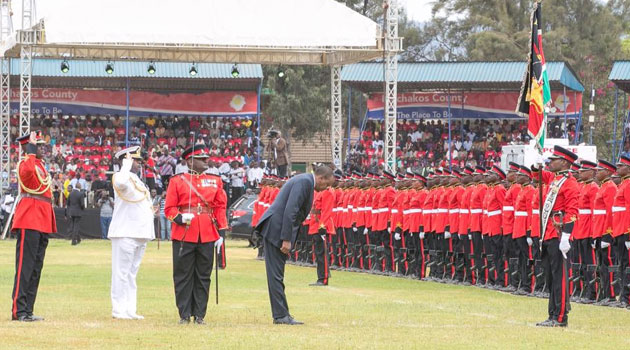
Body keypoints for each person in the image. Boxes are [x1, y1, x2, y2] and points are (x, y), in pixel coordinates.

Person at [255, 165, 335, 325]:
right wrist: (286, 239)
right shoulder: (305, 182)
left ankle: (281, 314)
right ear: (321, 178)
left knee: (277, 274)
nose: (326, 188)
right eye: (326, 184)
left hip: (276, 229)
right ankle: (281, 316)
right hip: (276, 230)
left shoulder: (305, 181)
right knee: (276, 275)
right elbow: (291, 211)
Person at [164, 144, 228, 325]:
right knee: (183, 274)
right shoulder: (177, 181)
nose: (206, 161)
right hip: (184, 232)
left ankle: (200, 314)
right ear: (189, 161)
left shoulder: (215, 180)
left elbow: (220, 206)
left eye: (206, 158)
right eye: (201, 159)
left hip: (207, 232)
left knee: (203, 275)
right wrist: (179, 218)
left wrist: (221, 232)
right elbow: (169, 208)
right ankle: (184, 314)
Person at [11, 132, 56, 322]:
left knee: (36, 267)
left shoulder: (40, 165)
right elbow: (28, 174)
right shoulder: (25, 163)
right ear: (28, 148)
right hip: (30, 216)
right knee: (25, 266)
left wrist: (32, 152)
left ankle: (28, 309)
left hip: (42, 216)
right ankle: (18, 311)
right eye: (37, 146)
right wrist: (29, 150)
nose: (41, 149)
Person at [534, 146, 579, 328]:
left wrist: (566, 236)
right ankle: (552, 314)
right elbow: (537, 176)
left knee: (560, 277)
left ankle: (560, 317)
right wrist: (535, 163)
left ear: (565, 163)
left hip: (559, 234)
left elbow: (572, 211)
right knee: (551, 278)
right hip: (548, 233)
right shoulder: (554, 179)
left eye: (554, 160)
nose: (550, 162)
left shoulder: (569, 183)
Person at [108, 146, 155, 320]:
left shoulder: (137, 180)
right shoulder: (121, 176)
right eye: (135, 160)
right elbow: (120, 182)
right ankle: (119, 309)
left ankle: (130, 309)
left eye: (138, 161)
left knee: (131, 274)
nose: (139, 164)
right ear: (126, 160)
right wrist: (125, 165)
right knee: (121, 272)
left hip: (139, 233)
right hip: (125, 232)